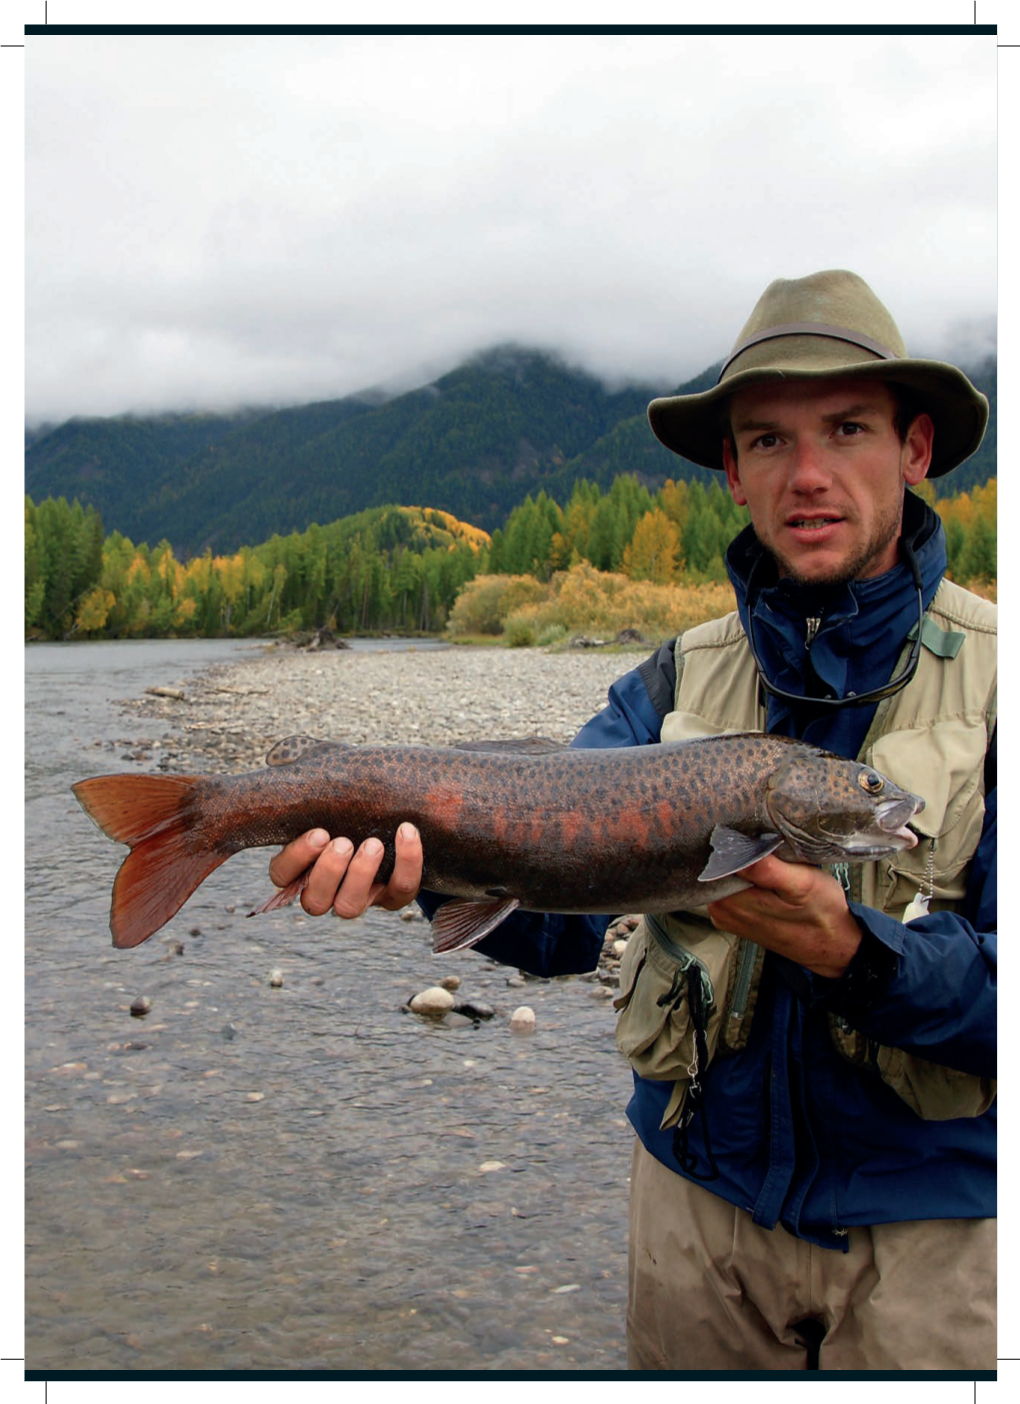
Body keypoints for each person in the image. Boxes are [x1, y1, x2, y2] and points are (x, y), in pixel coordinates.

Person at [268, 270, 996, 1372]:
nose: (807, 474)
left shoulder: (1000, 685)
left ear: (916, 449)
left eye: (848, 429)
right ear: (732, 474)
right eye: (767, 442)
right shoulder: (667, 683)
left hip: (936, 1238)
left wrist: (860, 955)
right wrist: (425, 876)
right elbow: (561, 926)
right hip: (695, 1222)